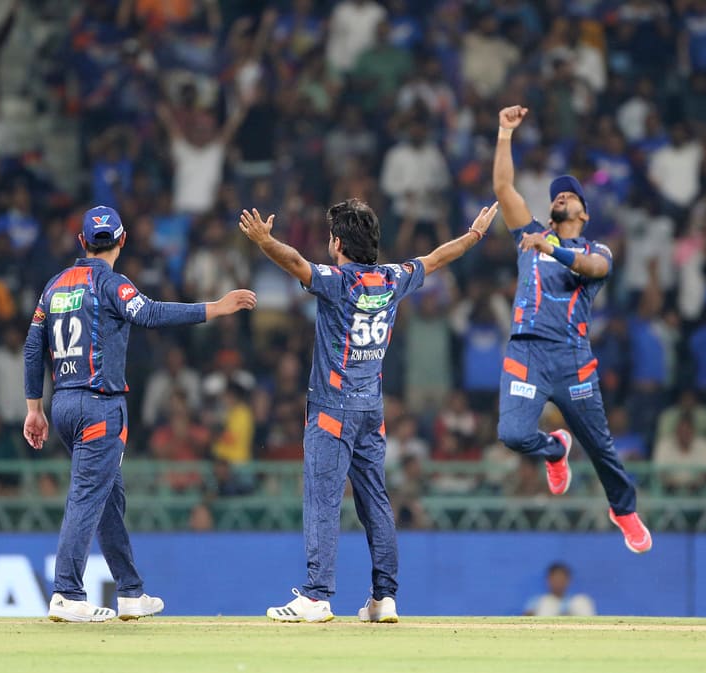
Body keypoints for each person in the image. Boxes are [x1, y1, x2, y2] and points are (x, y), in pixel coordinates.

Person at [239, 199, 499, 624]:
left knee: (322, 499)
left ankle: (317, 596)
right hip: (370, 409)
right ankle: (384, 598)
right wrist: (473, 236)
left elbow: (294, 262)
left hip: (331, 410)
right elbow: (436, 258)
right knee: (375, 500)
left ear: (338, 242)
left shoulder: (337, 281)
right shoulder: (392, 278)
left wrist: (265, 241)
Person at [22, 206, 256, 622]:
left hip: (62, 406)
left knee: (109, 498)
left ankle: (129, 592)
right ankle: (66, 592)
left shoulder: (54, 286)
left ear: (81, 243)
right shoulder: (112, 284)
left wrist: (32, 408)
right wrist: (213, 308)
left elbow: (31, 347)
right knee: (87, 496)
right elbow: (148, 313)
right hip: (99, 407)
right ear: (123, 240)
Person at [492, 105, 651, 554]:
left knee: (601, 448)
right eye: (557, 196)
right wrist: (505, 133)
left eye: (570, 196)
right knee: (514, 435)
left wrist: (552, 247)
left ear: (583, 213)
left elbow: (591, 266)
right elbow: (504, 187)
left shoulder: (595, 248)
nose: (561, 197)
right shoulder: (530, 234)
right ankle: (554, 451)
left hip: (572, 358)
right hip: (526, 351)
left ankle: (623, 510)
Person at [523, 562, 596, 617]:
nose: (558, 583)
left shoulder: (578, 601)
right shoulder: (536, 602)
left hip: (577, 634)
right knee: (548, 602)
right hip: (545, 634)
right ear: (548, 580)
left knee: (581, 602)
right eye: (555, 579)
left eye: (562, 579)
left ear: (568, 580)